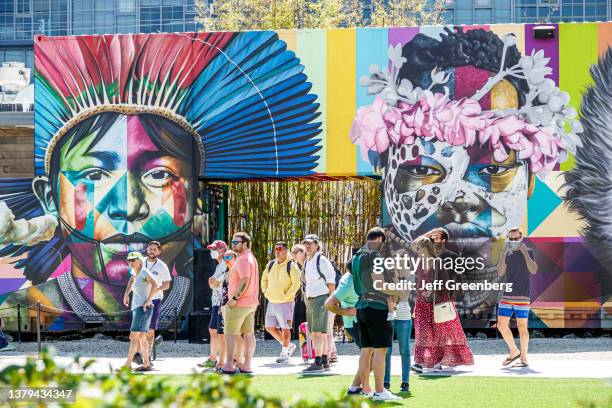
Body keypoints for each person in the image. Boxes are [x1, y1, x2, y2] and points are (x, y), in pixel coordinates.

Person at [350, 27, 580, 317]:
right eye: (422, 169)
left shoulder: (531, 261)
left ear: (531, 179)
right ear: (385, 175)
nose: (460, 199)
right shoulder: (387, 272)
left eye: (494, 168)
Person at [412, 228, 474, 373]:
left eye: (421, 248)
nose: (418, 251)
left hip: (438, 304)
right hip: (421, 303)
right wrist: (430, 233)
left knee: (440, 334)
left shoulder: (438, 262)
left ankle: (437, 362)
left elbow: (446, 283)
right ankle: (419, 362)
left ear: (426, 248)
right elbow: (414, 244)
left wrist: (433, 290)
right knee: (422, 333)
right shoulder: (420, 262)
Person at [351, 226, 401, 401]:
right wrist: (398, 289)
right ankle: (380, 391)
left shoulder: (354, 258)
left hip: (361, 306)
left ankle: (366, 389)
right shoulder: (375, 256)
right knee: (380, 351)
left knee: (366, 351)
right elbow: (379, 283)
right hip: (377, 307)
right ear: (379, 239)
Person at [497, 227, 538, 368]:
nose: (513, 241)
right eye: (511, 239)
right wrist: (503, 253)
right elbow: (500, 272)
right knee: (501, 325)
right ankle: (514, 351)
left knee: (522, 327)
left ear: (521, 238)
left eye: (516, 238)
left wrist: (525, 252)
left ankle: (524, 358)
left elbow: (533, 270)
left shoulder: (529, 251)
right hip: (507, 294)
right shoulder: (507, 254)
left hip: (522, 295)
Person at [221, 232, 259, 375]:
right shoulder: (250, 258)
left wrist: (234, 299)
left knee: (230, 334)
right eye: (233, 241)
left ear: (245, 244)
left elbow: (245, 280)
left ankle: (229, 364)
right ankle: (247, 365)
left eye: (236, 242)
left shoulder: (243, 259)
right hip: (250, 303)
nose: (233, 244)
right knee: (249, 334)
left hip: (239, 304)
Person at [132, 241, 171, 366]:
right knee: (138, 329)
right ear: (147, 250)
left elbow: (166, 284)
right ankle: (137, 355)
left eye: (155, 249)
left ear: (159, 252)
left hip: (154, 300)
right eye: (150, 249)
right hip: (140, 299)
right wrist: (127, 294)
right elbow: (132, 278)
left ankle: (146, 356)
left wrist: (155, 290)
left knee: (150, 330)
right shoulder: (140, 262)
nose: (152, 251)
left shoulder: (162, 266)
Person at [301, 234, 336, 374]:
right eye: (305, 243)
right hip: (311, 299)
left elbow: (331, 282)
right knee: (320, 333)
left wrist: (330, 301)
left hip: (321, 298)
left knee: (317, 333)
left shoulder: (322, 260)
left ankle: (318, 362)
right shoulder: (307, 261)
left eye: (310, 243)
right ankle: (324, 361)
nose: (307, 246)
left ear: (317, 244)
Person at [262, 241, 301, 363]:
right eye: (275, 249)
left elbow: (296, 284)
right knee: (269, 327)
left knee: (286, 328)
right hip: (272, 301)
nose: (277, 252)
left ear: (286, 251)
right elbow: (264, 279)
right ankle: (288, 345)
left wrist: (286, 296)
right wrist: (265, 292)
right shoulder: (271, 264)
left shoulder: (292, 266)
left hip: (286, 303)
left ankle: (284, 353)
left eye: (279, 249)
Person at [324, 270, 362, 395]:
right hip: (354, 323)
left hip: (360, 321)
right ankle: (355, 387)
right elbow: (329, 304)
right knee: (370, 354)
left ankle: (360, 387)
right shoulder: (348, 283)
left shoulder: (356, 277)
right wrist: (348, 312)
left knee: (371, 354)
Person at [121, 252, 159, 371]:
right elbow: (131, 281)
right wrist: (126, 294)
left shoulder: (144, 271)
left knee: (134, 336)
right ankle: (146, 364)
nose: (130, 262)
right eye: (129, 260)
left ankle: (127, 365)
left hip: (143, 308)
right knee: (141, 336)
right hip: (137, 307)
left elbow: (155, 284)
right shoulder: (135, 273)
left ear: (140, 261)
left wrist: (148, 300)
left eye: (133, 260)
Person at [200, 240, 228, 368]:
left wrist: (213, 282)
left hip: (223, 302)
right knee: (213, 330)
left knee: (222, 332)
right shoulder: (218, 265)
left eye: (214, 249)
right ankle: (213, 358)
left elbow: (217, 282)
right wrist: (213, 282)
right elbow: (212, 284)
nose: (212, 252)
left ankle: (225, 359)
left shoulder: (226, 264)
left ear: (222, 249)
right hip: (216, 302)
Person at [384, 297, 412, 393]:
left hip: (404, 317)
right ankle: (385, 382)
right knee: (386, 351)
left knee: (404, 351)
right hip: (387, 317)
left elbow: (404, 293)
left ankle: (405, 382)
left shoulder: (407, 281)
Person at [216, 250, 237, 371]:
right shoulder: (225, 271)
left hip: (234, 305)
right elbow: (215, 284)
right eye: (225, 257)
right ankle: (222, 360)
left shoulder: (238, 270)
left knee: (235, 335)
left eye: (229, 256)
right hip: (223, 305)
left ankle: (237, 360)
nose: (226, 259)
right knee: (222, 334)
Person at [290, 244, 307, 334]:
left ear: (303, 252)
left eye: (296, 252)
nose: (294, 254)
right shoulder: (296, 265)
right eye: (293, 252)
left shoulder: (309, 262)